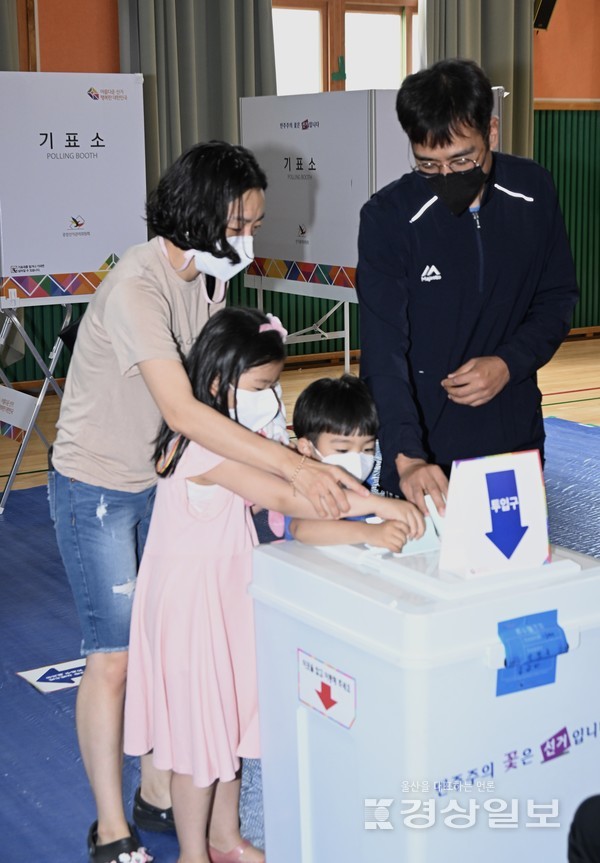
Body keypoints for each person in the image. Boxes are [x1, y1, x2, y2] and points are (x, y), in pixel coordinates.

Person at [48, 141, 367, 863]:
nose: (252, 240)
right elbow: (187, 414)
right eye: (244, 225)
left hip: (164, 481)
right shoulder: (138, 287)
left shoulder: (208, 279)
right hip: (100, 483)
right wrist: (286, 461)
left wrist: (282, 435)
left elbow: (219, 386)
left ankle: (160, 793)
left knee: (168, 648)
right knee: (115, 656)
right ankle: (111, 829)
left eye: (256, 223)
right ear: (202, 218)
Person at [123, 307, 420, 863]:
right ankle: (193, 852)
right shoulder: (200, 445)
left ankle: (225, 837)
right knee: (198, 742)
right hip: (192, 605)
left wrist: (368, 503)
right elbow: (290, 497)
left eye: (273, 385)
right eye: (261, 386)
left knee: (229, 723)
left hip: (227, 590)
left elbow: (288, 480)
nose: (271, 397)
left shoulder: (234, 432)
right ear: (217, 381)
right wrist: (378, 503)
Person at [356, 58, 579, 518]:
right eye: (428, 165)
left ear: (491, 133)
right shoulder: (388, 218)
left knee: (516, 578)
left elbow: (556, 299)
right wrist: (405, 456)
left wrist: (508, 363)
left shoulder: (533, 191)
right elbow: (382, 349)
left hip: (512, 437)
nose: (447, 176)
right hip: (425, 450)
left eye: (461, 158)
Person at [288, 374, 424, 548]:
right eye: (343, 450)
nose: (358, 459)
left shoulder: (370, 481)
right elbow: (300, 528)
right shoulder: (303, 484)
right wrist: (367, 533)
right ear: (306, 448)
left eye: (367, 449)